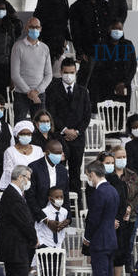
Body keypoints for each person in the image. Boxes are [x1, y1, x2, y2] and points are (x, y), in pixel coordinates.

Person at [0, 165, 44, 276]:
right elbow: (24, 222)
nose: (29, 181)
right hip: (16, 248)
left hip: (14, 248)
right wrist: (34, 238)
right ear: (20, 177)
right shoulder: (13, 195)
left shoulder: (13, 194)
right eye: (28, 178)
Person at [83, 161, 120, 276]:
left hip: (100, 241)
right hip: (111, 239)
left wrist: (87, 237)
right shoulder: (112, 190)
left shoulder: (99, 193)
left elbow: (93, 219)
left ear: (92, 174)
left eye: (88, 175)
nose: (88, 179)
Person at [46, 57, 91, 195]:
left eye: (72, 72)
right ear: (60, 71)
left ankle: (74, 206)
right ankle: (59, 200)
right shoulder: (52, 89)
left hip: (78, 139)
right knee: (59, 172)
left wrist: (76, 131)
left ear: (76, 72)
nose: (69, 75)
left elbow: (86, 116)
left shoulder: (83, 92)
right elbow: (51, 113)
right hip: (59, 137)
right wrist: (65, 130)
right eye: (66, 72)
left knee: (75, 173)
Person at [69, 0, 109, 107]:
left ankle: (97, 111)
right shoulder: (77, 7)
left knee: (101, 83)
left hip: (104, 52)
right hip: (88, 52)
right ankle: (79, 109)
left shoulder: (105, 5)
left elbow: (109, 28)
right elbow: (75, 31)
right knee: (83, 84)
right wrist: (80, 52)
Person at [11, 17, 53, 122]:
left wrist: (37, 91)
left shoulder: (45, 48)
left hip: (40, 95)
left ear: (41, 29)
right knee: (20, 127)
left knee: (40, 127)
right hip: (21, 94)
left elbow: (49, 75)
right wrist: (29, 92)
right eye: (32, 27)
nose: (34, 29)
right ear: (26, 28)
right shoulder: (18, 47)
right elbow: (15, 75)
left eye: (37, 27)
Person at [111, 146, 138, 276]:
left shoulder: (132, 175)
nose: (122, 160)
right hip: (112, 216)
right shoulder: (107, 175)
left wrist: (129, 208)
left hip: (129, 216)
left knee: (123, 246)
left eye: (124, 157)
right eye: (119, 157)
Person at [91, 20, 136, 107]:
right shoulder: (101, 46)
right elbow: (99, 68)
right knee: (107, 116)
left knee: (122, 115)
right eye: (114, 28)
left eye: (120, 28)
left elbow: (133, 66)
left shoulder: (128, 45)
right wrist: (115, 84)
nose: (117, 31)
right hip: (106, 88)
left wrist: (124, 83)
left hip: (124, 87)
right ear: (109, 30)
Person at [25, 139, 69, 222]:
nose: (61, 155)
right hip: (38, 216)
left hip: (58, 216)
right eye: (57, 153)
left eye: (61, 152)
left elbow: (65, 194)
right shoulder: (34, 167)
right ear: (48, 153)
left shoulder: (62, 170)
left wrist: (67, 218)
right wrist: (44, 219)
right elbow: (30, 196)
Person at [0, 121, 44, 191]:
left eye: (29, 134)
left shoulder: (38, 150)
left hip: (36, 188)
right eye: (23, 134)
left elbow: (42, 170)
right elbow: (9, 173)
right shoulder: (10, 151)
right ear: (17, 135)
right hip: (18, 188)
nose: (26, 136)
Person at [33, 0, 71, 65]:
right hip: (51, 37)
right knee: (48, 66)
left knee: (56, 67)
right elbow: (40, 14)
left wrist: (65, 36)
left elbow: (62, 16)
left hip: (60, 37)